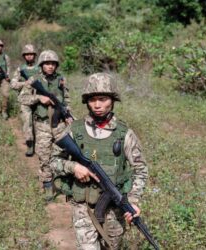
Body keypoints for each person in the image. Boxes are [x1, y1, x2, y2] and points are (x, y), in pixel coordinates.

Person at [50, 73, 148, 249]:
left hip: (115, 211)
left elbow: (140, 170)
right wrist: (73, 167)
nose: (97, 105)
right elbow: (53, 160)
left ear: (112, 100)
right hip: (83, 207)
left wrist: (133, 201)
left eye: (102, 99)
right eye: (92, 99)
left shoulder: (124, 134)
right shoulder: (75, 130)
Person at [19, 49, 71, 201]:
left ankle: (61, 182)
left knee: (63, 154)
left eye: (53, 64)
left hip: (60, 124)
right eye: (47, 63)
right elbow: (22, 99)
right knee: (44, 156)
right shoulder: (33, 80)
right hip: (42, 125)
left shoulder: (61, 79)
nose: (50, 66)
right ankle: (48, 186)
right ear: (41, 65)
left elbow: (66, 100)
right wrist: (38, 98)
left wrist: (68, 115)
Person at [10, 44, 39, 156]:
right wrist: (24, 83)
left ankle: (39, 144)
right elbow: (13, 84)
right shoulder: (20, 69)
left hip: (38, 98)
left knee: (39, 122)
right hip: (25, 99)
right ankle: (30, 145)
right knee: (27, 123)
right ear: (24, 56)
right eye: (27, 54)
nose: (29, 56)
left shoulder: (40, 68)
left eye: (31, 54)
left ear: (34, 55)